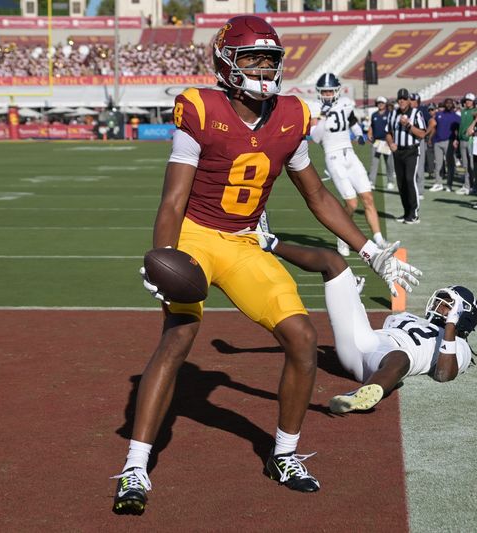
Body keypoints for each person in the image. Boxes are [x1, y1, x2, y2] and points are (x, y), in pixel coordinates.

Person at [110, 16, 423, 515]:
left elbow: (317, 195)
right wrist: (163, 255)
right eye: (252, 58)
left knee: (301, 337)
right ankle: (135, 465)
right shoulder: (200, 108)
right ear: (227, 64)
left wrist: (371, 251)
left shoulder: (291, 116)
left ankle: (284, 454)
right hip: (195, 235)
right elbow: (173, 200)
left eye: (270, 59)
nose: (262, 68)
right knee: (179, 337)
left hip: (244, 242)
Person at [260, 234, 477, 413]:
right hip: (361, 341)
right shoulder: (405, 317)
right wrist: (356, 303)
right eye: (442, 301)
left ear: (463, 313)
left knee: (401, 356)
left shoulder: (459, 346)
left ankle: (363, 395)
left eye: (448, 304)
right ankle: (271, 243)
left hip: (384, 360)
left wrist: (450, 328)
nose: (440, 305)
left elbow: (444, 375)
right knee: (333, 261)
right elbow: (374, 335)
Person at [311, 72, 389, 255]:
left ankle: (378, 238)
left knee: (368, 198)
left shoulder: (345, 103)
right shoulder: (316, 108)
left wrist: (359, 134)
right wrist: (323, 116)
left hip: (350, 154)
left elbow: (352, 121)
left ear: (337, 91)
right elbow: (315, 137)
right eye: (325, 91)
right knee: (352, 204)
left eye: (330, 91)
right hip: (333, 156)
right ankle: (342, 235)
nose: (328, 95)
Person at [386, 88, 427, 224]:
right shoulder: (392, 114)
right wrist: (391, 143)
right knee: (401, 183)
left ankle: (414, 214)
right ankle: (406, 212)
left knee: (410, 179)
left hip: (411, 151)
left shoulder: (416, 113)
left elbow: (422, 134)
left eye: (404, 98)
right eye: (400, 99)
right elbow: (388, 132)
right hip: (398, 152)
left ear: (409, 100)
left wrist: (408, 125)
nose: (402, 101)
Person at [367, 96, 396, 190]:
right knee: (374, 163)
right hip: (376, 142)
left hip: (386, 142)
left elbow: (393, 127)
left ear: (385, 104)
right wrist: (369, 133)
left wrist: (392, 141)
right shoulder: (374, 114)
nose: (380, 104)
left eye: (382, 103)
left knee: (389, 163)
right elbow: (372, 126)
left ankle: (390, 181)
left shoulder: (390, 114)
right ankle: (371, 181)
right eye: (379, 102)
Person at [457, 93, 477, 195]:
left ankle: (475, 186)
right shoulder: (463, 111)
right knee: (465, 165)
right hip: (462, 140)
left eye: (470, 100)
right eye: (466, 100)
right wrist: (458, 138)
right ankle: (467, 185)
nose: (468, 102)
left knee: (472, 164)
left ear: (473, 101)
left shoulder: (476, 111)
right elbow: (460, 127)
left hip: (471, 140)